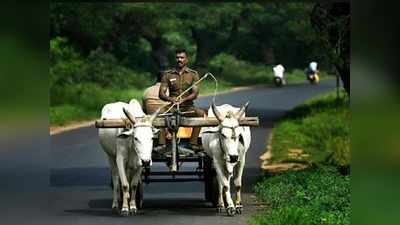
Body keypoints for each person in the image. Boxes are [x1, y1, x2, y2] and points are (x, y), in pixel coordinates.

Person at [159, 48, 206, 151]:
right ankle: (162, 144)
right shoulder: (168, 74)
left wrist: (184, 100)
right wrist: (171, 99)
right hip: (172, 107)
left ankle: (193, 143)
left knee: (201, 114)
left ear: (186, 60)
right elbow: (161, 94)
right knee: (160, 113)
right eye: (177, 57)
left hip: (188, 107)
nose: (179, 60)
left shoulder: (193, 74)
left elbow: (195, 93)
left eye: (182, 57)